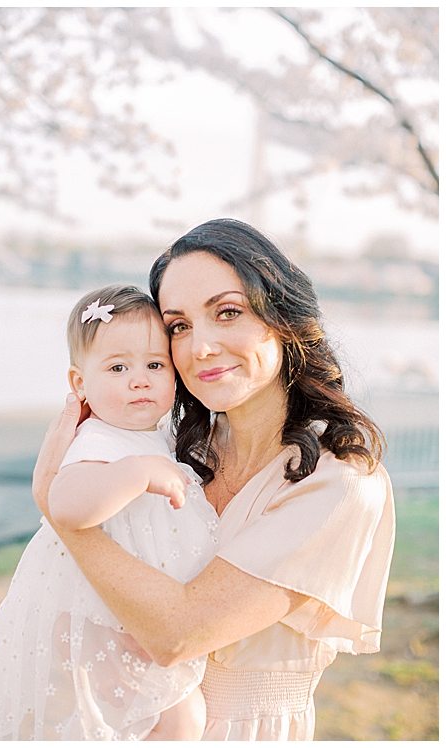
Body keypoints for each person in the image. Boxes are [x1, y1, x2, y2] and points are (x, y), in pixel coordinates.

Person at [31, 219, 395, 740]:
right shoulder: (177, 453)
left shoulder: (338, 485)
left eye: (228, 313)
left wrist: (57, 508)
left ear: (284, 319)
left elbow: (178, 635)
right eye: (178, 326)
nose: (200, 347)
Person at [0, 285, 221, 741]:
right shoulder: (98, 440)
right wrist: (137, 472)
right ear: (79, 384)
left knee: (173, 716)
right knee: (178, 716)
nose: (140, 379)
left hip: (141, 608)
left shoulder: (156, 439)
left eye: (155, 365)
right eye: (118, 367)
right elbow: (66, 504)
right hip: (105, 618)